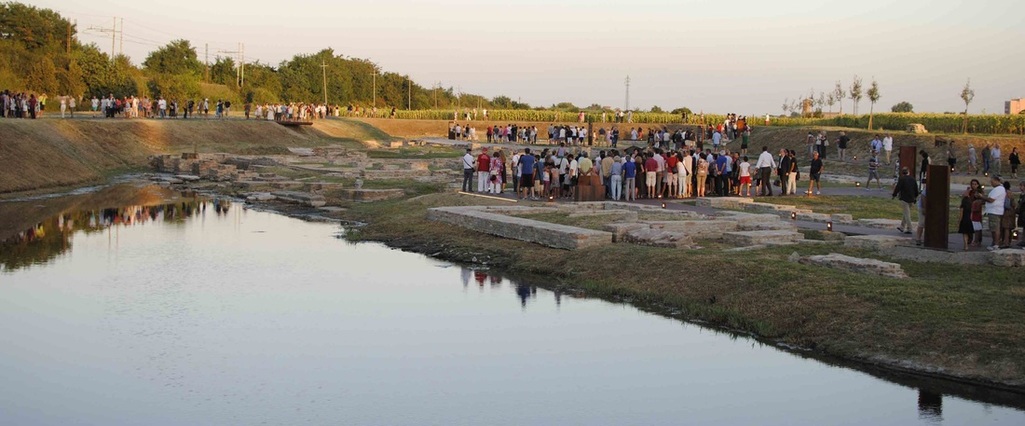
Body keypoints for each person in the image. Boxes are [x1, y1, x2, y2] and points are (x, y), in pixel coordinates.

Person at [981, 175, 1006, 250]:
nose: (991, 183)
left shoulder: (999, 189)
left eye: (992, 182)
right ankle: (994, 242)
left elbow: (991, 200)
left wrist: (982, 197)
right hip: (993, 210)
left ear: (996, 181)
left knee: (995, 228)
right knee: (993, 228)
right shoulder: (997, 189)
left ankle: (996, 244)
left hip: (995, 211)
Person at [892, 167, 919, 234]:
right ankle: (902, 227)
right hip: (911, 198)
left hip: (904, 198)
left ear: (902, 173)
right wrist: (915, 197)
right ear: (908, 172)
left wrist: (894, 195)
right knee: (906, 213)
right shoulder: (913, 179)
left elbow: (898, 188)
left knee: (907, 214)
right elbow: (916, 189)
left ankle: (910, 228)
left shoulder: (901, 179)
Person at [957, 186, 975, 251]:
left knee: (964, 234)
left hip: (964, 220)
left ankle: (965, 245)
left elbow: (961, 214)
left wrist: (959, 221)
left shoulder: (963, 205)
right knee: (968, 232)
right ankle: (969, 243)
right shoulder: (970, 204)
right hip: (969, 220)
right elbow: (971, 214)